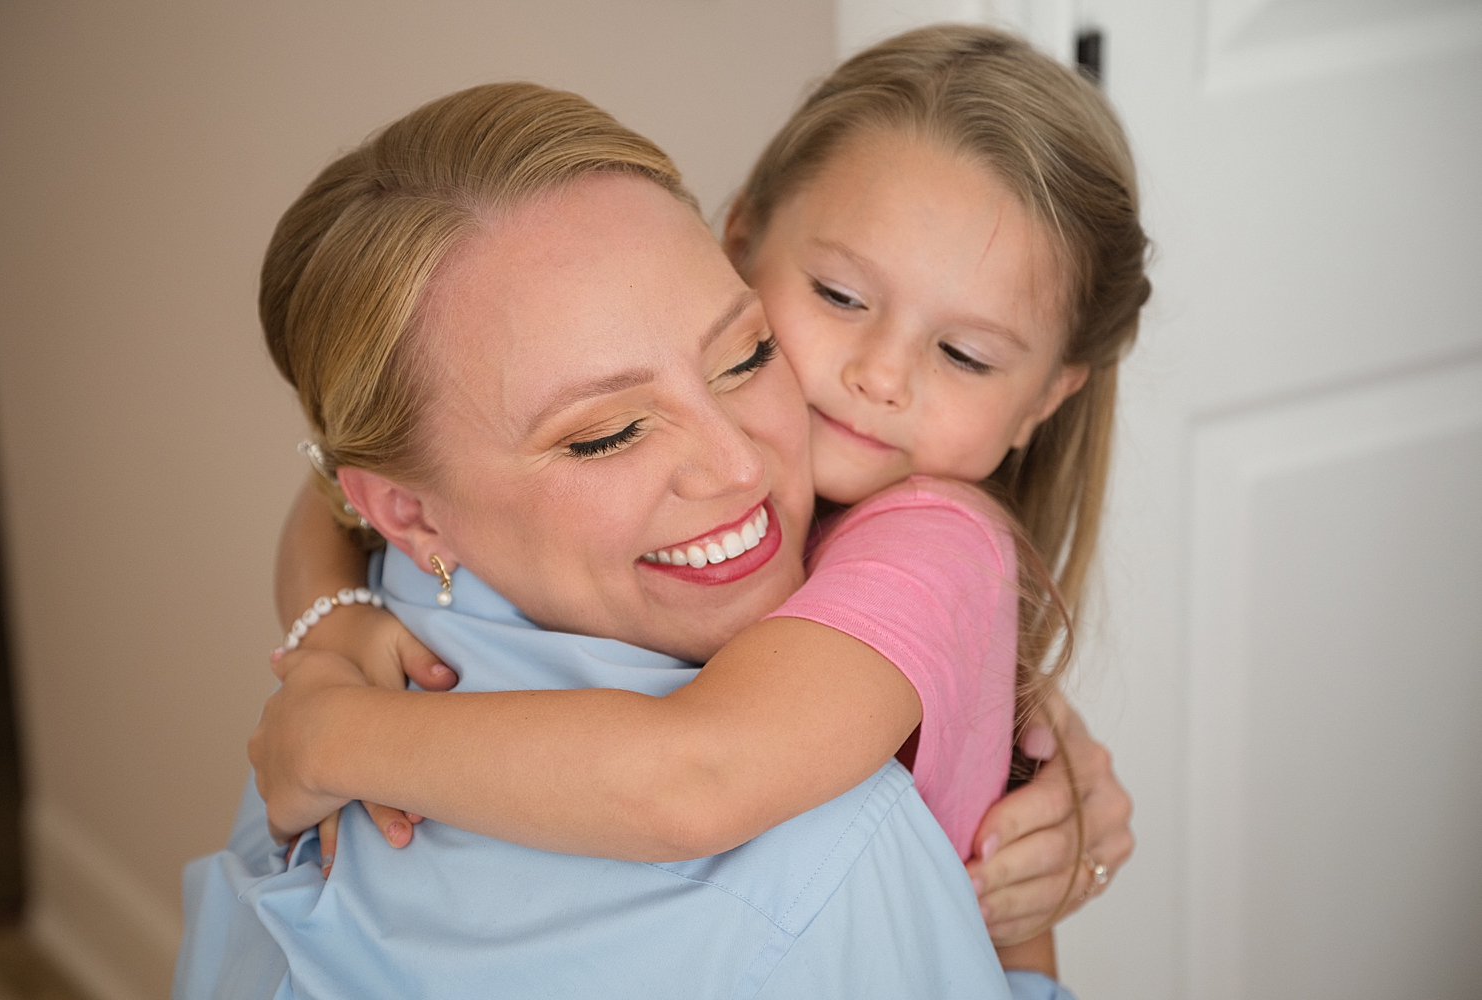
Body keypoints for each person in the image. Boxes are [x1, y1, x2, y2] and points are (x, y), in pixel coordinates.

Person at [249, 21, 1143, 982]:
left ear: (1048, 397)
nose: (879, 377)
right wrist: (329, 616)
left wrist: (337, 735)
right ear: (743, 237)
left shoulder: (934, 544)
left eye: (965, 355)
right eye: (839, 296)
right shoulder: (765, 430)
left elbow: (694, 776)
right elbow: (341, 482)